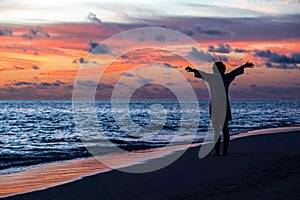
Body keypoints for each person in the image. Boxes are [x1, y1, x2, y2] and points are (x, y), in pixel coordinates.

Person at [186, 61, 254, 155]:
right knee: (224, 129)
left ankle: (218, 151)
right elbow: (235, 72)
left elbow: (202, 74)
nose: (212, 68)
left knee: (217, 130)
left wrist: (193, 70)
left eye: (213, 67)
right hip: (222, 105)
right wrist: (244, 66)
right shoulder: (225, 77)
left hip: (216, 106)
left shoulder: (213, 78)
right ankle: (223, 151)